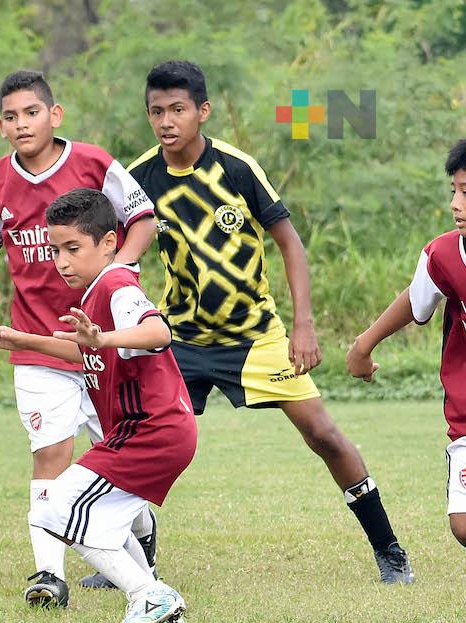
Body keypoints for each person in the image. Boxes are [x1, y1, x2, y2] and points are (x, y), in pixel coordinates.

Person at [117, 59, 413, 584]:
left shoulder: (235, 167)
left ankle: (389, 550)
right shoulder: (138, 178)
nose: (166, 121)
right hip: (180, 338)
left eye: (178, 110)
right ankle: (133, 557)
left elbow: (289, 245)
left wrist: (304, 324)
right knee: (137, 438)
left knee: (323, 435)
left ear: (202, 112)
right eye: (156, 111)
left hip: (255, 336)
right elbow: (121, 256)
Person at [0, 70, 159, 608]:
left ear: (55, 115)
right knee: (51, 452)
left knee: (113, 451)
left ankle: (140, 532)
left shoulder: (94, 163)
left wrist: (120, 269)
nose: (21, 124)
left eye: (31, 113)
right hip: (36, 343)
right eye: (10, 116)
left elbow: (143, 219)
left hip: (100, 343)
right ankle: (50, 575)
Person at [0, 188, 195, 623]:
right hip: (147, 432)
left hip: (150, 431)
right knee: (90, 517)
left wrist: (103, 340)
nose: (61, 261)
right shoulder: (96, 293)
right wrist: (22, 339)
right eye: (55, 250)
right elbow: (83, 352)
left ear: (110, 242)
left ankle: (149, 596)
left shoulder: (116, 284)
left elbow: (158, 332)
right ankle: (158, 613)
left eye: (73, 248)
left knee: (54, 508)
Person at [347, 139, 466, 546]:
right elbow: (416, 299)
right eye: (454, 190)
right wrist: (364, 345)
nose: (455, 203)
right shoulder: (446, 255)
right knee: (463, 525)